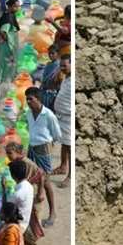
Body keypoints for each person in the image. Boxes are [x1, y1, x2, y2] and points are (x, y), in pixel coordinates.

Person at [25, 87, 61, 225]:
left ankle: (52, 213)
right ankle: (33, 212)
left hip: (44, 148)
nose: (28, 102)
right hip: (32, 147)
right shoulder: (28, 114)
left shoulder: (49, 115)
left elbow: (57, 135)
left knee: (45, 182)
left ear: (38, 99)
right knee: (31, 178)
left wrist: (48, 145)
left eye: (31, 99)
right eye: (27, 99)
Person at [6, 161, 40, 245]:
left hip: (19, 223)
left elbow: (7, 206)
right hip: (26, 217)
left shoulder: (18, 193)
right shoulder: (28, 185)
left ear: (13, 175)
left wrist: (5, 190)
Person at [52, 55, 72, 188]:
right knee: (64, 143)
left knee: (70, 146)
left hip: (69, 117)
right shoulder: (66, 78)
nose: (62, 68)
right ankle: (63, 166)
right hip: (61, 117)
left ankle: (70, 176)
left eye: (65, 65)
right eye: (61, 65)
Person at [0, 0, 21, 88]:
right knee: (6, 66)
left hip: (7, 45)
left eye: (18, 6)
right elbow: (3, 31)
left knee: (5, 65)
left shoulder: (9, 14)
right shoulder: (8, 18)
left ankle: (2, 84)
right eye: (15, 6)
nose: (17, 8)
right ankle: (2, 85)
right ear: (9, 6)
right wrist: (9, 43)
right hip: (7, 46)